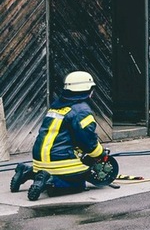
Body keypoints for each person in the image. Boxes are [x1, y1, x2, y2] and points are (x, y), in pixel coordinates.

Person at [10, 71, 110, 201]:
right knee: (80, 178)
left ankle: (25, 172)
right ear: (88, 89)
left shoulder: (56, 107)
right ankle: (49, 182)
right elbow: (87, 141)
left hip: (39, 161)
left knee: (46, 167)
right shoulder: (81, 111)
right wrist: (100, 154)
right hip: (58, 163)